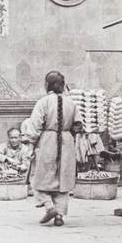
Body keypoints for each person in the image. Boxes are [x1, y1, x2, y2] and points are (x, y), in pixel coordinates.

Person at [21, 71, 83, 226]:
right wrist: (68, 134)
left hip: (47, 142)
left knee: (39, 178)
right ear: (62, 86)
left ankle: (49, 207)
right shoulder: (72, 103)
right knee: (62, 180)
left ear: (47, 84)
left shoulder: (43, 102)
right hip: (67, 143)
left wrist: (30, 143)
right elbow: (79, 125)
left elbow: (34, 127)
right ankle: (59, 216)